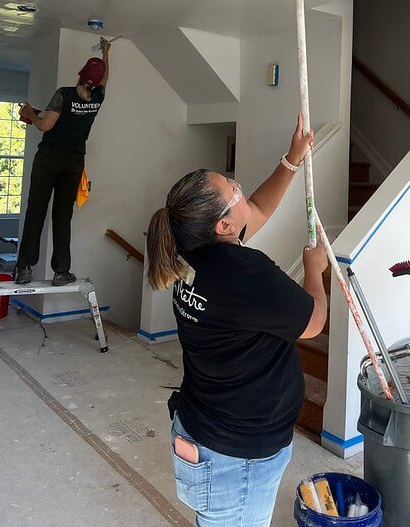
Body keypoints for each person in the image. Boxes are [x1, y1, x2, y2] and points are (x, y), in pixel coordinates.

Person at [146, 114, 328, 527]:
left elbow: (259, 207)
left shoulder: (194, 254)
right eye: (233, 188)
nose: (239, 186)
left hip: (208, 430)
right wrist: (314, 269)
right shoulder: (243, 273)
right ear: (224, 225)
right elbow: (314, 322)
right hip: (236, 455)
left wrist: (291, 160)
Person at [15, 38, 111, 286]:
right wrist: (106, 52)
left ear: (80, 75)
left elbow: (46, 125)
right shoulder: (98, 97)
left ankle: (24, 268)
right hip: (74, 161)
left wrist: (30, 115)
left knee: (36, 210)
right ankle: (61, 272)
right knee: (62, 216)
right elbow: (104, 79)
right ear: (97, 81)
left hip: (49, 158)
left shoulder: (64, 94)